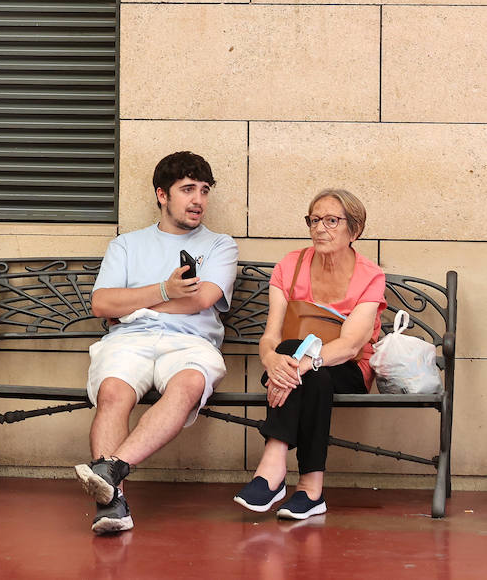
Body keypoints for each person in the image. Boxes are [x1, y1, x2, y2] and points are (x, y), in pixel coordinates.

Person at [72, 151, 238, 535]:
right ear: (162, 195)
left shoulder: (220, 245)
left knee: (189, 384)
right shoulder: (127, 245)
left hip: (191, 342)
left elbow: (201, 299)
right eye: (187, 189)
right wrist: (165, 289)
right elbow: (101, 304)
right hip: (129, 339)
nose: (198, 200)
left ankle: (109, 471)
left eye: (204, 190)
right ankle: (113, 504)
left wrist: (130, 301)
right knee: (113, 392)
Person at [232, 189, 385, 520]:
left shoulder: (369, 275)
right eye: (314, 220)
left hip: (349, 368)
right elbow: (271, 335)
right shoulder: (290, 266)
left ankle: (272, 470)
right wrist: (270, 359)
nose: (320, 228)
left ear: (354, 230)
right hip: (296, 365)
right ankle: (310, 489)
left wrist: (299, 365)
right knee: (301, 364)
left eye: (331, 220)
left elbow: (350, 345)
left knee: (309, 367)